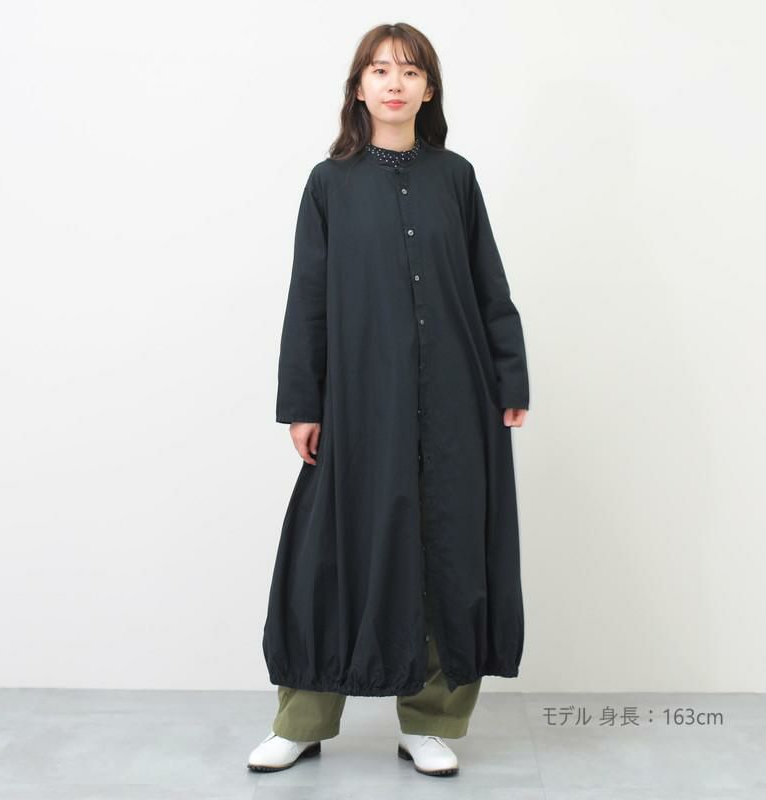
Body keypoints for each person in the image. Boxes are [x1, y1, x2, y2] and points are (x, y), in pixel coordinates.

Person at [248, 21, 530, 778]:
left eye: (409, 71)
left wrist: (510, 379)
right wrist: (303, 403)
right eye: (380, 69)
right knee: (330, 552)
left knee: (445, 547)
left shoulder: (456, 178)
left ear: (428, 89)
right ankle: (301, 721)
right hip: (359, 400)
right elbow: (308, 297)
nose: (395, 82)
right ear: (359, 87)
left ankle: (429, 723)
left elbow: (489, 285)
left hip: (458, 398)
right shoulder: (329, 183)